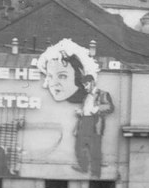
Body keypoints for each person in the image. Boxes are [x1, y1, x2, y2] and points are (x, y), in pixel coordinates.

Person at [36, 39, 114, 178]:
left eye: (87, 85)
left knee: (95, 149)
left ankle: (96, 173)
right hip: (84, 122)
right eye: (50, 76)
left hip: (95, 123)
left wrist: (97, 109)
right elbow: (85, 107)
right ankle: (83, 166)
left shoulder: (101, 94)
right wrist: (81, 112)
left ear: (92, 83)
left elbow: (109, 106)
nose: (85, 87)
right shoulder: (85, 97)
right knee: (79, 147)